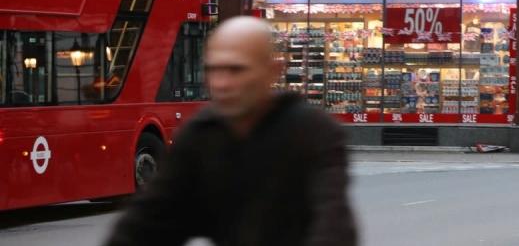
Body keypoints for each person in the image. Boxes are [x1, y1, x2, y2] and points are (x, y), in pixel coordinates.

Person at [103, 16, 358, 246]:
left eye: (236, 70)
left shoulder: (313, 133)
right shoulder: (200, 135)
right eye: (213, 70)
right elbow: (149, 221)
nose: (222, 83)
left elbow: (333, 226)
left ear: (273, 71)